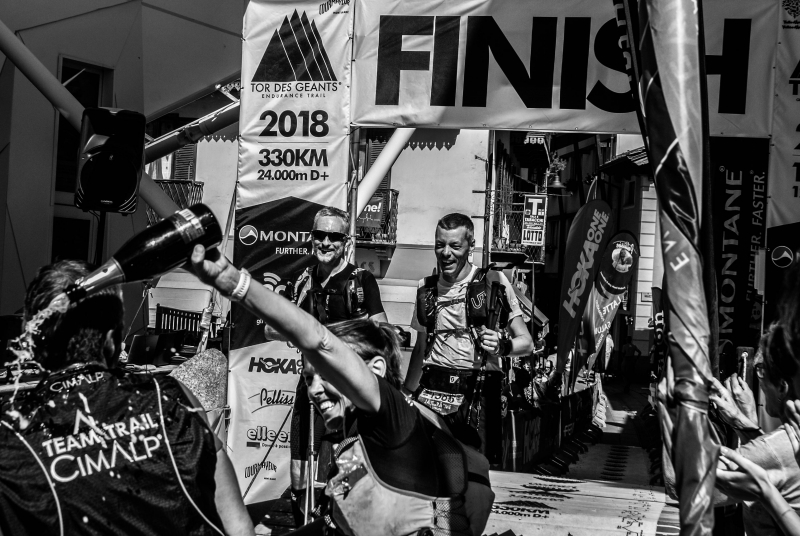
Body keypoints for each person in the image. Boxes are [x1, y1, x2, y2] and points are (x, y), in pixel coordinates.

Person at [188, 245, 492, 536]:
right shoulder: (352, 430)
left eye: (328, 376)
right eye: (309, 379)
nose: (315, 390)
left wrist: (235, 283)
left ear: (374, 370)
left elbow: (319, 340)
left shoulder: (391, 416)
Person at [0, 260, 253, 536]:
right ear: (111, 339)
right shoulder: (172, 397)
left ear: (32, 343)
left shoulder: (10, 435)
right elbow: (238, 527)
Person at [263, 206, 387, 518]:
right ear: (311, 238)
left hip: (350, 392)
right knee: (298, 470)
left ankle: (340, 522)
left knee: (348, 472)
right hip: (312, 387)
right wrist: (295, 329)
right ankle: (304, 524)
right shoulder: (303, 280)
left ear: (346, 241)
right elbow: (269, 327)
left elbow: (383, 334)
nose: (326, 242)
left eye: (334, 236)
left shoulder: (361, 281)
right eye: (320, 235)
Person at [404, 213, 533, 464]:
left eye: (455, 246)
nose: (446, 253)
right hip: (433, 385)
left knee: (475, 471)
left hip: (478, 388)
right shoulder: (425, 287)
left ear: (470, 247)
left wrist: (502, 345)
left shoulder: (493, 282)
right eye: (440, 245)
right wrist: (406, 392)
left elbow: (526, 342)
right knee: (429, 468)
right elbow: (421, 348)